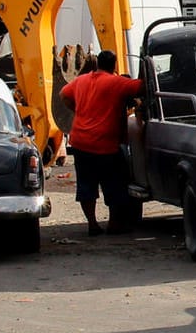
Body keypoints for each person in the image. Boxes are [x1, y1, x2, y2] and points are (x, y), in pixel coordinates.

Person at [60, 49, 144, 237]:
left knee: (86, 185)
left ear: (97, 63)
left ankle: (92, 224)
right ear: (114, 65)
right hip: (105, 143)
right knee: (114, 183)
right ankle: (114, 224)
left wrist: (78, 110)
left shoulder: (81, 81)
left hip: (80, 141)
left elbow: (63, 94)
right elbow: (141, 87)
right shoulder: (116, 82)